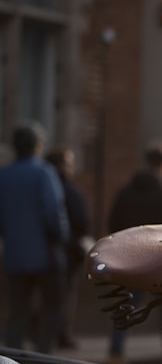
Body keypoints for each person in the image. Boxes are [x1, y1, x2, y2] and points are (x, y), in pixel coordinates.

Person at [106, 140, 162, 364]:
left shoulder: (126, 191)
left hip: (130, 258)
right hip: (160, 260)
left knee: (126, 306)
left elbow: (113, 222)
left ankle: (115, 353)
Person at [0, 124, 69, 353]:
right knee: (53, 305)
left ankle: (12, 363)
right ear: (38, 147)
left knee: (17, 311)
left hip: (14, 255)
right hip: (45, 254)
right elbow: (53, 211)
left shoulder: (4, 175)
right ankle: (43, 356)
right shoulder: (44, 173)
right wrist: (61, 238)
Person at [46, 147, 92, 350]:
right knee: (63, 298)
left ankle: (52, 335)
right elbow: (81, 220)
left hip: (48, 251)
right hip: (66, 251)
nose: (71, 168)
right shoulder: (67, 189)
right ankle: (59, 336)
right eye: (69, 163)